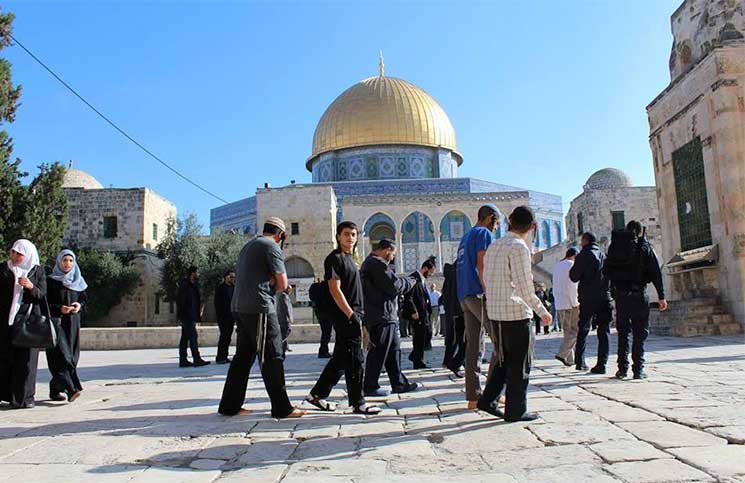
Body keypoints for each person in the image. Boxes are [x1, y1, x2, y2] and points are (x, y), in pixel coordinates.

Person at [218, 217, 305, 419]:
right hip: (260, 308)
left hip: (240, 308)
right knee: (273, 355)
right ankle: (282, 408)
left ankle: (229, 406)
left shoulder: (248, 246)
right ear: (281, 234)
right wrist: (278, 285)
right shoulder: (271, 247)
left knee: (243, 358)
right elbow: (282, 284)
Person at [478, 206, 552, 422]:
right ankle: (516, 410)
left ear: (509, 220)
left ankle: (488, 400)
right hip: (516, 314)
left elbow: (486, 278)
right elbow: (524, 287)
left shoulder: (494, 245)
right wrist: (543, 312)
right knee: (520, 364)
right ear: (532, 227)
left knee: (503, 361)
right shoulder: (519, 247)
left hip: (496, 313)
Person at [306, 222, 380, 415]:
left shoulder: (350, 258)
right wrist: (350, 315)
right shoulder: (334, 258)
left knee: (341, 358)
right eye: (346, 234)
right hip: (346, 315)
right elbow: (335, 289)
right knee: (356, 358)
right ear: (338, 236)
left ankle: (317, 395)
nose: (350, 238)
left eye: (353, 234)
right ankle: (358, 402)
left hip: (355, 313)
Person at [607, 221, 668, 380]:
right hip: (639, 294)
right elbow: (655, 272)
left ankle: (622, 369)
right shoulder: (645, 247)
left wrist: (612, 291)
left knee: (623, 333)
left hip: (621, 296)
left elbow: (606, 271)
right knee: (640, 332)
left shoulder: (615, 247)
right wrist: (661, 296)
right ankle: (638, 369)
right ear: (640, 232)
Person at [361, 239, 419, 397]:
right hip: (381, 315)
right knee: (379, 351)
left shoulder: (371, 264)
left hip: (384, 314)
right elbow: (394, 286)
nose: (392, 257)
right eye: (392, 254)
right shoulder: (376, 264)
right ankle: (370, 385)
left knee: (393, 350)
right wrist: (410, 281)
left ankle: (398, 383)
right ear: (387, 250)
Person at [456, 204, 500, 410]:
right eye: (497, 223)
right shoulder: (483, 233)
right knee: (501, 342)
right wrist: (488, 290)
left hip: (465, 295)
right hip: (478, 294)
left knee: (474, 346)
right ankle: (492, 394)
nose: (496, 228)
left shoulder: (465, 237)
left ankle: (473, 397)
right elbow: (482, 264)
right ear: (490, 218)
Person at [0, 240, 46, 409]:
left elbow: (42, 295)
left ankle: (25, 398)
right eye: (13, 252)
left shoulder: (37, 271)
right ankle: (5, 394)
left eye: (19, 254)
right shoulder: (4, 269)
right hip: (5, 322)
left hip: (27, 323)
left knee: (26, 361)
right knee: (5, 358)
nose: (14, 256)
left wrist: (30, 286)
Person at [45, 249, 87, 403]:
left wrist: (78, 306)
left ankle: (55, 390)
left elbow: (84, 299)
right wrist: (59, 308)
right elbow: (45, 303)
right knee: (62, 356)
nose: (67, 263)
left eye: (70, 260)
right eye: (64, 260)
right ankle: (72, 389)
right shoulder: (51, 281)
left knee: (72, 357)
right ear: (59, 262)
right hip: (57, 323)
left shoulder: (78, 281)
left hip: (73, 323)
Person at [569, 232, 613, 374]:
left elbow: (573, 276)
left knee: (583, 328)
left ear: (586, 241)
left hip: (587, 297)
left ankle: (580, 361)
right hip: (604, 297)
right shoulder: (603, 256)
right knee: (604, 330)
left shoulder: (583, 255)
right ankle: (602, 364)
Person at [403, 257, 435, 369]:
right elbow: (408, 296)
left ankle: (415, 356)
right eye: (430, 272)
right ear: (425, 268)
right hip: (417, 314)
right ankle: (417, 360)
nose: (431, 275)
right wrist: (413, 310)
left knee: (426, 335)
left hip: (424, 313)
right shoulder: (413, 278)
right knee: (419, 338)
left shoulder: (421, 280)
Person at [553, 247, 580, 367]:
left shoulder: (557, 266)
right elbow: (572, 286)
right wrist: (575, 303)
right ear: (574, 256)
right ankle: (562, 354)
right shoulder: (571, 265)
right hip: (569, 303)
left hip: (560, 303)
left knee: (567, 332)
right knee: (575, 331)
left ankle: (570, 359)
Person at [177, 266, 209, 367]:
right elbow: (182, 301)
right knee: (193, 337)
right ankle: (196, 359)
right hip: (187, 316)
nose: (198, 274)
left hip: (191, 315)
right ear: (193, 273)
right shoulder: (185, 285)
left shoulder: (193, 285)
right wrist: (183, 315)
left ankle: (183, 360)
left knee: (185, 338)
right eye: (197, 272)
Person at [441, 262, 466, 377]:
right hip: (460, 310)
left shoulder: (451, 275)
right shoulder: (459, 272)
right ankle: (455, 362)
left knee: (456, 338)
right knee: (462, 339)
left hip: (453, 311)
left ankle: (450, 361)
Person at [214, 270, 235, 364]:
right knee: (224, 336)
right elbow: (217, 303)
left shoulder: (234, 288)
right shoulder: (220, 288)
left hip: (231, 317)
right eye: (231, 277)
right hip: (223, 317)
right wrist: (220, 316)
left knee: (228, 337)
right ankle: (220, 357)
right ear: (226, 277)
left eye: (233, 277)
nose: (233, 279)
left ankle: (225, 356)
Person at [276, 286, 293, 355]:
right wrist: (290, 317)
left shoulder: (280, 295)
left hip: (280, 317)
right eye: (290, 290)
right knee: (287, 330)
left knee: (283, 330)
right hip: (284, 317)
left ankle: (285, 346)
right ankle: (278, 343)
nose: (290, 291)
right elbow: (287, 307)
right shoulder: (284, 296)